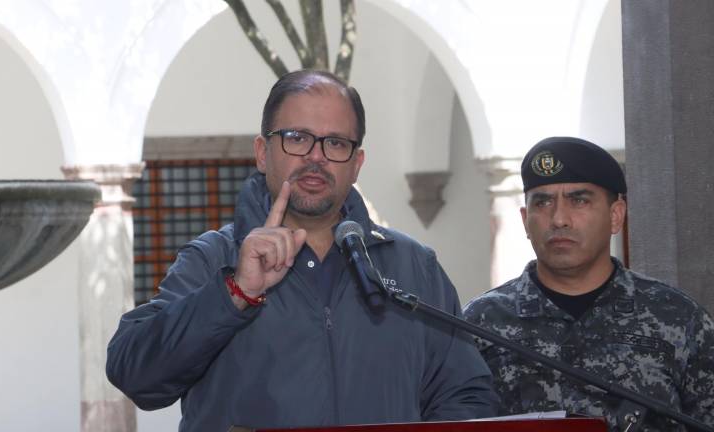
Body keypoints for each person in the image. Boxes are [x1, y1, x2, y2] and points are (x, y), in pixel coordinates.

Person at [107, 70, 499, 431]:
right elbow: (136, 375)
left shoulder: (414, 267)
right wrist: (235, 293)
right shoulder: (214, 258)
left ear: (357, 162)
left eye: (335, 142)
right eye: (297, 137)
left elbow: (466, 395)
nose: (316, 156)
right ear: (263, 151)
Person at [463, 136, 714, 431]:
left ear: (615, 215)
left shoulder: (677, 317)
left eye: (579, 200)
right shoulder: (480, 324)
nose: (559, 219)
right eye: (542, 202)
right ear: (525, 220)